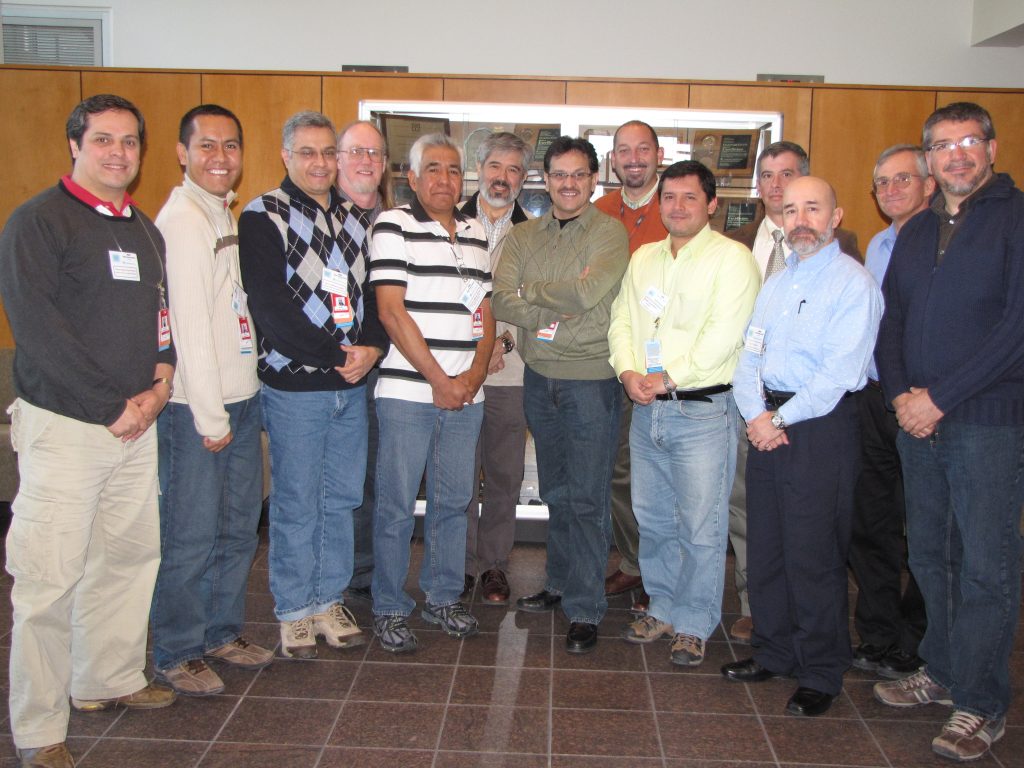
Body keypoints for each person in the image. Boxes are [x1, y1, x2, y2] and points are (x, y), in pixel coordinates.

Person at [0, 94, 176, 768]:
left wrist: (162, 380)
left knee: (127, 560)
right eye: (103, 139)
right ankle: (40, 728)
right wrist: (112, 406)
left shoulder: (140, 228)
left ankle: (106, 678)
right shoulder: (37, 224)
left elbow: (162, 317)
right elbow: (40, 333)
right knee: (48, 581)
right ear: (75, 144)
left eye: (130, 141)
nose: (118, 153)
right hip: (71, 428)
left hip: (137, 420)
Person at [873, 102, 1024, 762]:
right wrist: (904, 395)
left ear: (991, 147)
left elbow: (1017, 329)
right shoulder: (915, 231)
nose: (956, 153)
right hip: (918, 422)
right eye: (942, 145)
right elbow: (894, 324)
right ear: (930, 160)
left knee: (986, 566)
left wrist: (941, 398)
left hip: (987, 422)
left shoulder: (1016, 219)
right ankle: (942, 667)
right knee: (931, 554)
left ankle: (983, 701)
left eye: (968, 141)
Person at [723, 176, 881, 718]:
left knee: (813, 553)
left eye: (813, 208)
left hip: (820, 426)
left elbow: (840, 373)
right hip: (768, 418)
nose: (801, 220)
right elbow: (750, 357)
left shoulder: (852, 283)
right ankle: (774, 650)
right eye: (790, 211)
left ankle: (820, 669)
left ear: (836, 217)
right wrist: (757, 415)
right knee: (766, 545)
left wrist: (776, 419)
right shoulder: (777, 283)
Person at [239, 111, 387, 659]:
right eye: (308, 152)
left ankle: (328, 598)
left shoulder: (357, 219)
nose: (321, 163)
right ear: (286, 155)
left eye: (329, 152)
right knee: (298, 500)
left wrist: (370, 349)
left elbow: (374, 295)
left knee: (341, 497)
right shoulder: (262, 215)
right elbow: (271, 308)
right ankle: (293, 610)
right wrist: (337, 356)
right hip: (297, 386)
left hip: (350, 383)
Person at [608, 161, 758, 666]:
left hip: (700, 411)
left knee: (701, 524)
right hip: (647, 408)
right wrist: (629, 373)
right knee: (653, 520)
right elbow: (622, 322)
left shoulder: (732, 259)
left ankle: (695, 622)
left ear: (711, 204)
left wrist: (667, 378)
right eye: (668, 197)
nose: (676, 207)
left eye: (689, 198)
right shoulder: (644, 258)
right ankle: (664, 606)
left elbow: (724, 335)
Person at [150, 105, 273, 696]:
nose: (220, 157)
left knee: (236, 529)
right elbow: (190, 328)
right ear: (182, 153)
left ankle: (221, 632)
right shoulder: (181, 220)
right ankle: (176, 649)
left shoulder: (219, 210)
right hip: (199, 409)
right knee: (190, 534)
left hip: (241, 398)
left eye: (230, 146)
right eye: (206, 146)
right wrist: (209, 416)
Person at [493, 136, 628, 655]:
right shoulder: (525, 238)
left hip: (591, 381)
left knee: (589, 497)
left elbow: (589, 293)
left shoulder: (608, 233)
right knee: (555, 490)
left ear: (594, 180)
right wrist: (547, 299)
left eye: (578, 174)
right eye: (558, 175)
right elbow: (503, 295)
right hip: (539, 376)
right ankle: (560, 582)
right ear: (545, 181)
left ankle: (586, 606)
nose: (568, 184)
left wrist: (534, 295)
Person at [369, 133, 494, 653]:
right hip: (407, 393)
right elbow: (391, 313)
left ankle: (442, 597)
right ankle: (389, 606)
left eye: (452, 170)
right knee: (397, 504)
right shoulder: (392, 224)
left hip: (466, 396)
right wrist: (439, 381)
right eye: (433, 170)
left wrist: (472, 378)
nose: (444, 179)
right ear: (413, 179)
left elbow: (485, 316)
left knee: (454, 501)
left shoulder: (477, 231)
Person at [847, 144, 933, 680]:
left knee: (923, 525)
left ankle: (918, 638)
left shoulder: (947, 242)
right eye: (882, 183)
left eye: (904, 179)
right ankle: (878, 632)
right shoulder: (876, 245)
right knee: (870, 522)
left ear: (928, 183)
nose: (893, 190)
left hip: (925, 402)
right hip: (875, 399)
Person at [595, 120, 669, 610]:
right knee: (614, 471)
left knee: (652, 475)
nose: (634, 158)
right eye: (625, 150)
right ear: (613, 160)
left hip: (665, 372)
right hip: (604, 364)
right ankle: (636, 562)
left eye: (643, 149)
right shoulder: (599, 210)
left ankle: (654, 569)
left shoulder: (679, 205)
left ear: (658, 155)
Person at [457, 132, 532, 605]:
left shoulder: (536, 234)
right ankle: (459, 564)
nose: (502, 178)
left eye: (513, 170)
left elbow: (538, 304)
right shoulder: (445, 221)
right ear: (479, 168)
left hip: (509, 369)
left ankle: (494, 568)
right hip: (455, 370)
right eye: (495, 167)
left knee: (504, 474)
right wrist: (474, 352)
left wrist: (501, 341)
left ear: (524, 180)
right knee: (458, 474)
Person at [334, 119, 392, 604]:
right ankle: (335, 574)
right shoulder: (321, 218)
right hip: (330, 368)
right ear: (337, 159)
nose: (366, 162)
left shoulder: (393, 221)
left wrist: (374, 347)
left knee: (373, 473)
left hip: (382, 368)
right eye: (356, 152)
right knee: (337, 478)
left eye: (374, 154)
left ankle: (363, 572)